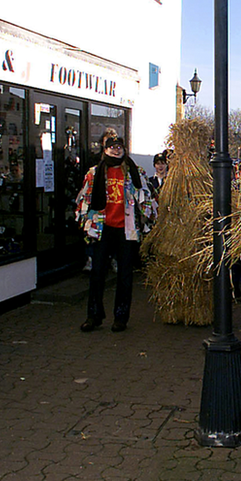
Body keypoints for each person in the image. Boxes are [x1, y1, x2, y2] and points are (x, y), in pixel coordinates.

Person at [75, 128, 153, 333]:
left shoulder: (134, 171)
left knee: (125, 276)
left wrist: (147, 219)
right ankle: (93, 316)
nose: (116, 150)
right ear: (105, 150)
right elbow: (84, 200)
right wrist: (85, 222)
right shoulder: (94, 173)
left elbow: (145, 198)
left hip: (126, 230)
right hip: (102, 228)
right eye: (112, 147)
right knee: (97, 273)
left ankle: (121, 317)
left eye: (119, 147)